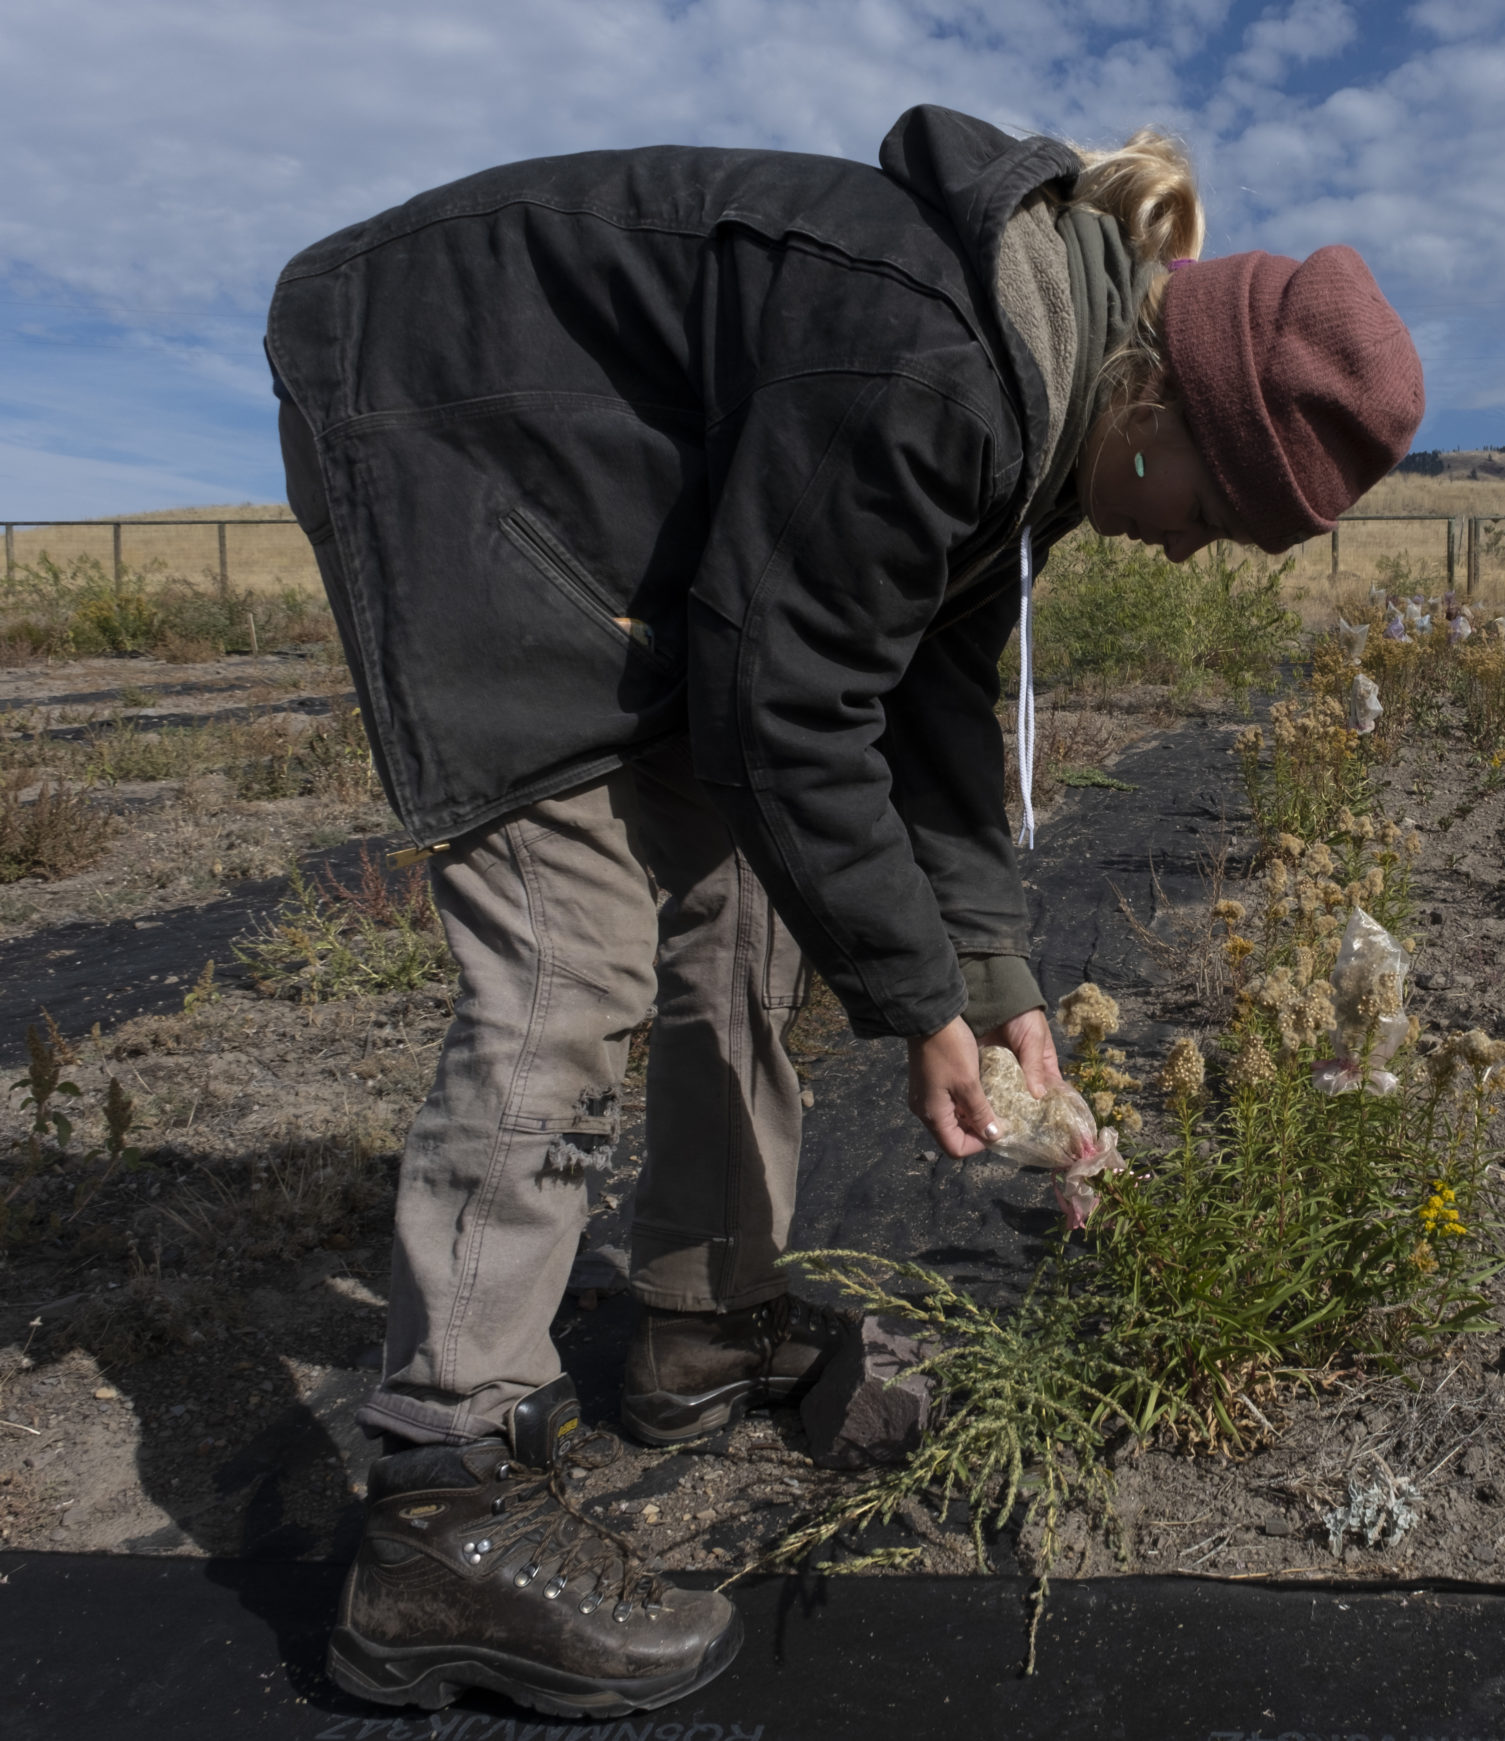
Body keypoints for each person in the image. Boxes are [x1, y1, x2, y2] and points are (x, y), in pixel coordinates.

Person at [264, 104, 1422, 1718]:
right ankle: (441, 1499)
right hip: (441, 409)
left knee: (743, 895)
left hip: (587, 473)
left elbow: (925, 691)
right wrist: (920, 1008)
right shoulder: (940, 364)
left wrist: (997, 981)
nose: (1184, 553)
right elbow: (790, 708)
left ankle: (696, 1319)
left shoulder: (1040, 387)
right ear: (1165, 414)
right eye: (1213, 519)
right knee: (571, 937)